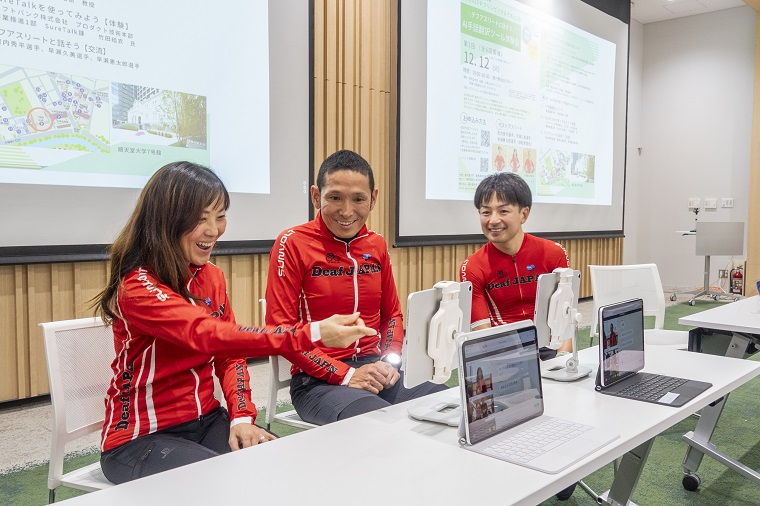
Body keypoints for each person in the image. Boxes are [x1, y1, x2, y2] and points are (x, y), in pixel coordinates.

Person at [94, 161, 374, 484]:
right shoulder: (137, 285)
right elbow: (208, 336)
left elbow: (230, 358)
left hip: (209, 421)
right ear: (166, 221)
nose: (213, 231)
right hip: (138, 442)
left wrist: (241, 416)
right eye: (200, 219)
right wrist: (310, 332)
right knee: (225, 486)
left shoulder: (212, 276)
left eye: (220, 216)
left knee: (284, 473)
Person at [266, 149, 447, 425]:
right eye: (334, 198)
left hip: (377, 368)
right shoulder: (291, 243)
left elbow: (392, 316)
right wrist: (347, 374)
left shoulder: (376, 244)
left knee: (449, 405)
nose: (347, 211)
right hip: (317, 382)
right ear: (316, 196)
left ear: (373, 198)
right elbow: (280, 331)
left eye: (358, 199)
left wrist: (389, 361)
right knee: (380, 425)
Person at [459, 172, 576, 501]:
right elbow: (482, 336)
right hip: (505, 360)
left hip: (551, 353)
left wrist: (561, 362)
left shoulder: (552, 254)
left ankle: (561, 462)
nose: (493, 220)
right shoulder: (473, 266)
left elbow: (563, 321)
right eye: (485, 211)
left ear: (524, 213)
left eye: (503, 210)